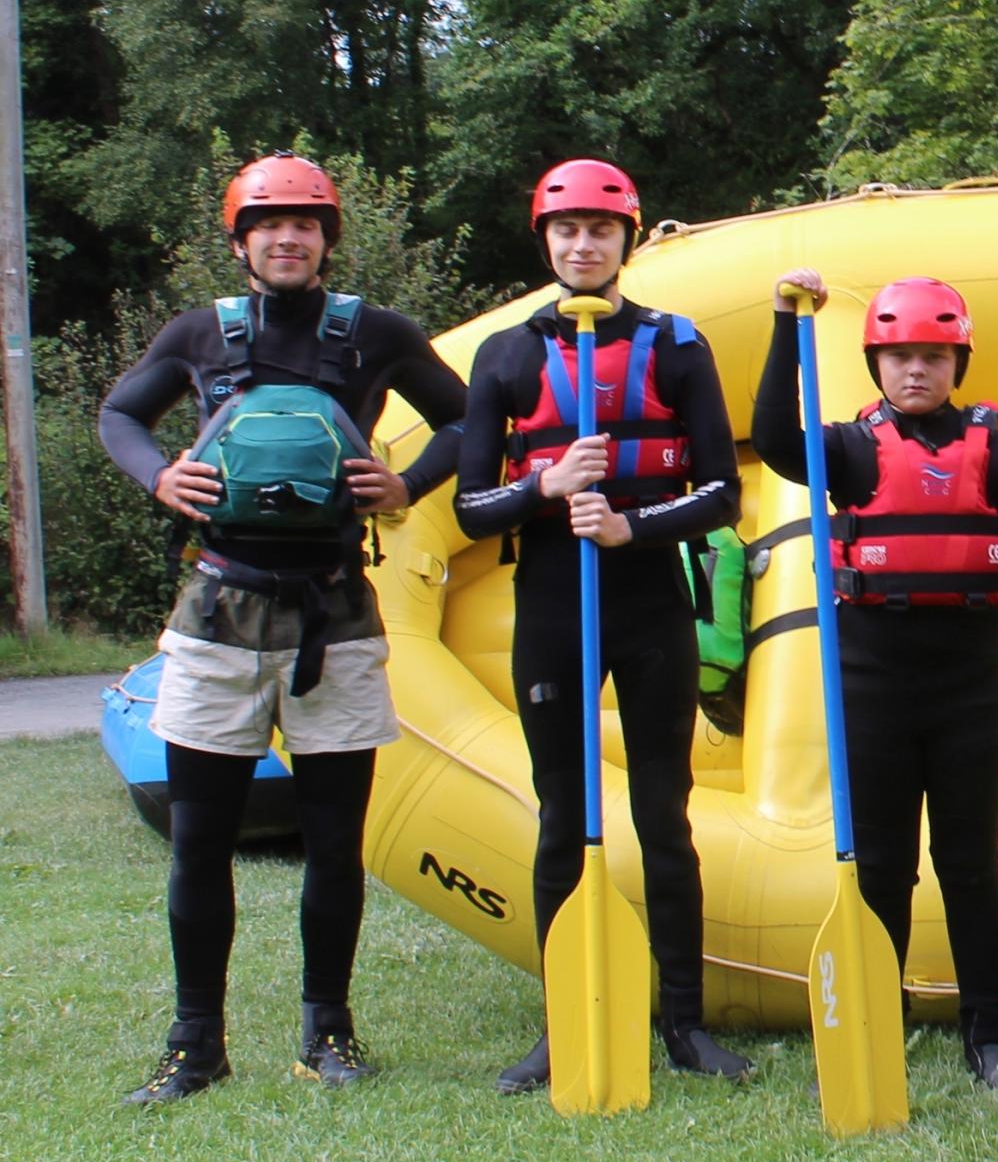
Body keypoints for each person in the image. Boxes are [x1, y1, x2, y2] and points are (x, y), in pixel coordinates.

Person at [100, 151, 467, 1103]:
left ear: (327, 238)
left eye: (306, 222)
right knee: (199, 841)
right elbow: (120, 416)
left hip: (337, 615)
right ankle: (195, 1044)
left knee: (335, 840)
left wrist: (408, 484)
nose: (288, 236)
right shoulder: (198, 334)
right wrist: (158, 476)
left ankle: (329, 1032)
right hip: (218, 610)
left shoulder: (375, 335)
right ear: (240, 242)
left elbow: (472, 423)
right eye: (268, 223)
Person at [452, 158, 749, 1092]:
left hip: (650, 608)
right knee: (562, 819)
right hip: (551, 608)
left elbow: (720, 494)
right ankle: (562, 1020)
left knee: (663, 816)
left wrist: (631, 524)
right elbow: (469, 507)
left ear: (628, 238)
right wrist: (541, 486)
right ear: (545, 240)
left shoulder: (676, 344)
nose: (584, 245)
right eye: (567, 231)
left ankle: (685, 1026)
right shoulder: (504, 354)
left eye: (602, 231)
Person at [750, 269, 998, 1091]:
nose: (916, 371)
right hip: (872, 689)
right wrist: (785, 325)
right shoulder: (847, 450)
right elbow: (770, 438)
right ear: (876, 363)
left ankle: (989, 1035)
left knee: (971, 864)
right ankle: (876, 1016)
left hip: (971, 689)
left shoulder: (995, 450)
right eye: (899, 356)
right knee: (882, 868)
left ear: (956, 362)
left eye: (933, 356)